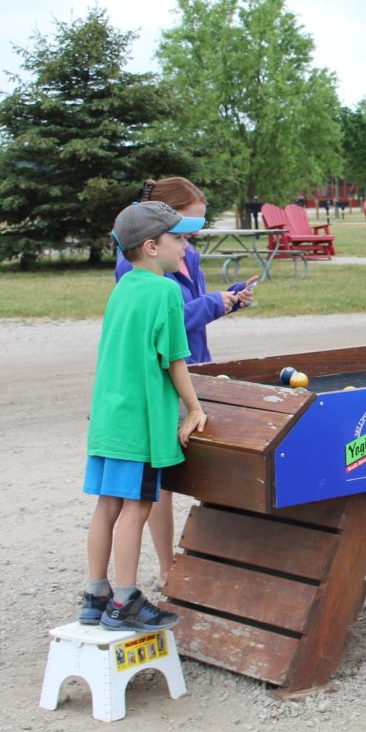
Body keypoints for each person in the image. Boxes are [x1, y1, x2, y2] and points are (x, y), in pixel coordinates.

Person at [116, 177, 256, 589]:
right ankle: (166, 566)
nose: (193, 237)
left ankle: (215, 556)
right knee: (163, 481)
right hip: (164, 376)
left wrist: (226, 302)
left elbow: (190, 312)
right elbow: (167, 324)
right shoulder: (136, 264)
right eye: (191, 223)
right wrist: (215, 302)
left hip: (198, 368)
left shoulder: (185, 254)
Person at [81, 201, 209, 631]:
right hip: (140, 426)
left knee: (107, 507)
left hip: (109, 421)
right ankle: (125, 601)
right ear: (152, 246)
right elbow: (174, 359)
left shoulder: (124, 287)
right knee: (137, 507)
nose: (186, 246)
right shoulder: (165, 291)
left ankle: (96, 594)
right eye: (179, 238)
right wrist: (194, 408)